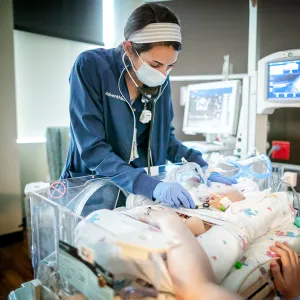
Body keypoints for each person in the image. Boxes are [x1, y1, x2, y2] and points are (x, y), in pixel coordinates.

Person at [60, 3, 236, 212]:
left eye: (170, 66)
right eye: (155, 65)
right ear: (129, 48)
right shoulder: (92, 66)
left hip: (137, 195)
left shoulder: (160, 81)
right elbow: (93, 149)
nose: (162, 74)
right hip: (95, 190)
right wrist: (150, 186)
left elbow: (165, 140)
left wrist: (200, 165)